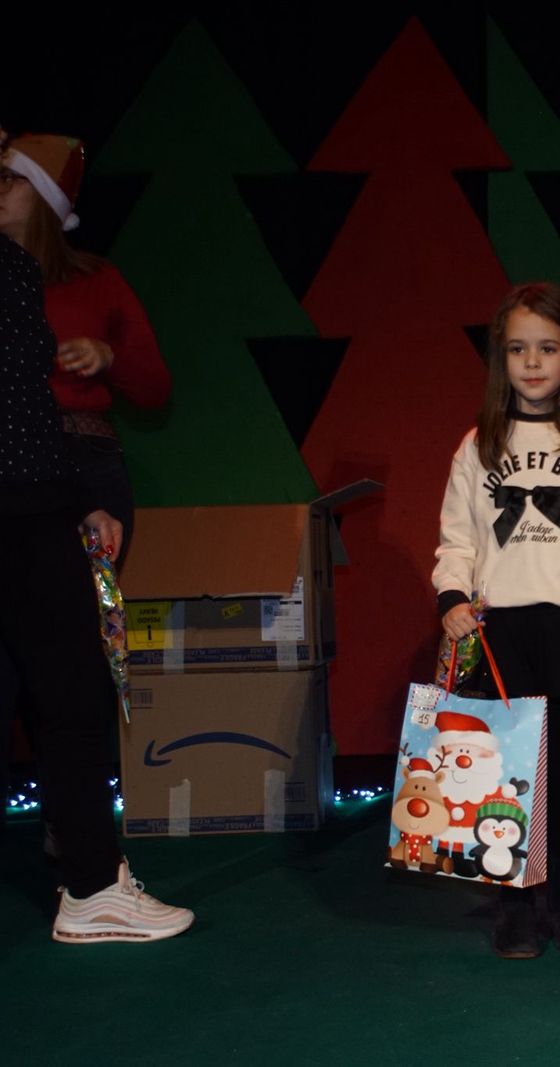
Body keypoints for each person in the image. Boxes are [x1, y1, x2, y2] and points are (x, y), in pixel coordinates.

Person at [0, 227, 191, 944]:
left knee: (69, 690)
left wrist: (80, 499)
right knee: (72, 693)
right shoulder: (11, 269)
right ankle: (91, 889)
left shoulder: (31, 270)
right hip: (25, 504)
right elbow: (20, 404)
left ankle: (89, 879)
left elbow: (30, 404)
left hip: (43, 495)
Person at [433, 282, 560, 957]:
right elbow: (457, 539)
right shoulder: (479, 444)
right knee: (506, 772)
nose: (534, 362)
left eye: (547, 348)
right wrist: (452, 597)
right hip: (499, 630)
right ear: (502, 359)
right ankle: (514, 905)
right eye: (519, 349)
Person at [0, 133, 169, 562]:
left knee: (90, 597)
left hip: (86, 459)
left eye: (7, 178)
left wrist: (109, 356)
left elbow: (154, 390)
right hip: (11, 466)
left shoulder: (94, 281)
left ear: (44, 195)